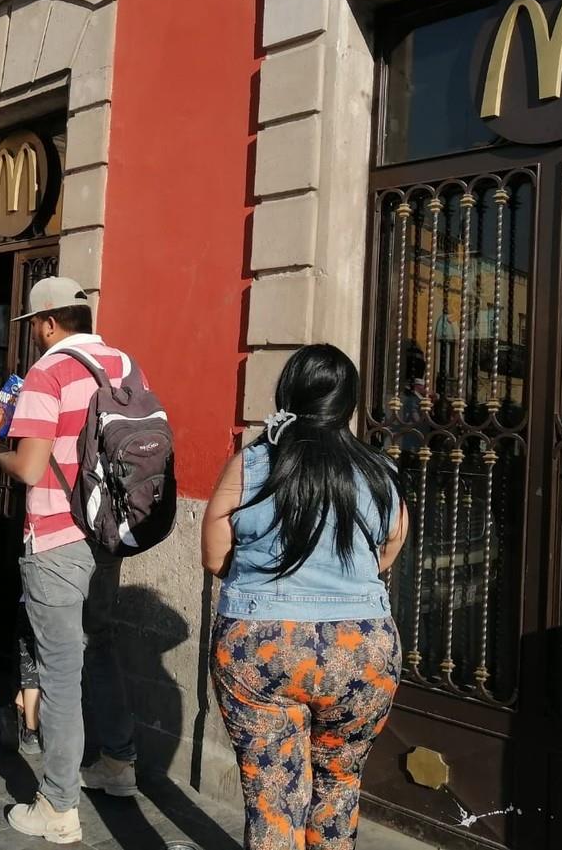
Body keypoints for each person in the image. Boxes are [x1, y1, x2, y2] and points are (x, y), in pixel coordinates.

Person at [200, 344, 409, 850]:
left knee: (274, 799)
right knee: (339, 787)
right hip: (362, 653)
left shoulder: (252, 464)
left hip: (260, 646)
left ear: (288, 391)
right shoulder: (379, 472)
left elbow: (213, 558)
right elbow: (389, 550)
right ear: (349, 403)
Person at [0, 277, 140, 844]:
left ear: (47, 322)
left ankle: (57, 806)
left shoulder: (50, 370)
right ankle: (118, 763)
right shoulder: (123, 365)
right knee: (103, 644)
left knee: (59, 672)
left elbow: (28, 466)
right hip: (109, 533)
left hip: (56, 535)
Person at [0, 365, 42, 755]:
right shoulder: (23, 428)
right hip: (19, 533)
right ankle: (21, 709)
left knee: (3, 617)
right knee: (17, 623)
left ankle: (10, 705)